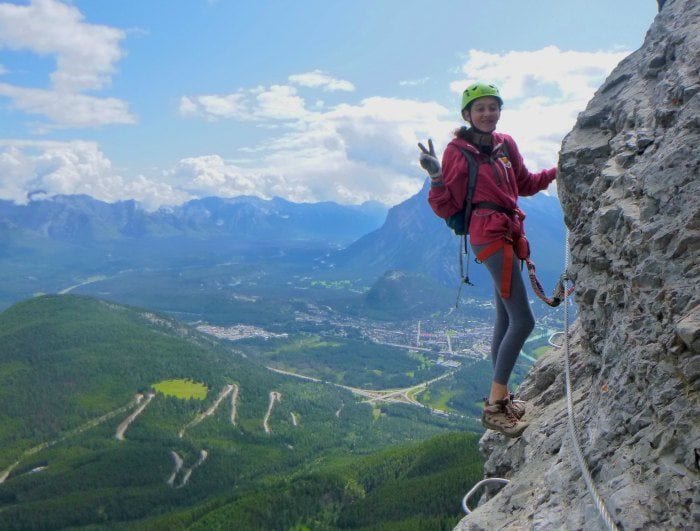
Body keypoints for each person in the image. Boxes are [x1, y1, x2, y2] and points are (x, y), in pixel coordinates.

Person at [419, 82, 556, 437]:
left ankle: (502, 396)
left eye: (493, 107)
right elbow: (446, 205)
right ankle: (495, 405)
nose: (488, 113)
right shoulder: (457, 151)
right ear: (467, 114)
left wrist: (560, 171)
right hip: (489, 234)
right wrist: (436, 177)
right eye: (480, 108)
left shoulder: (505, 144)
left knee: (504, 318)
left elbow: (523, 183)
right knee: (523, 321)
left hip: (507, 230)